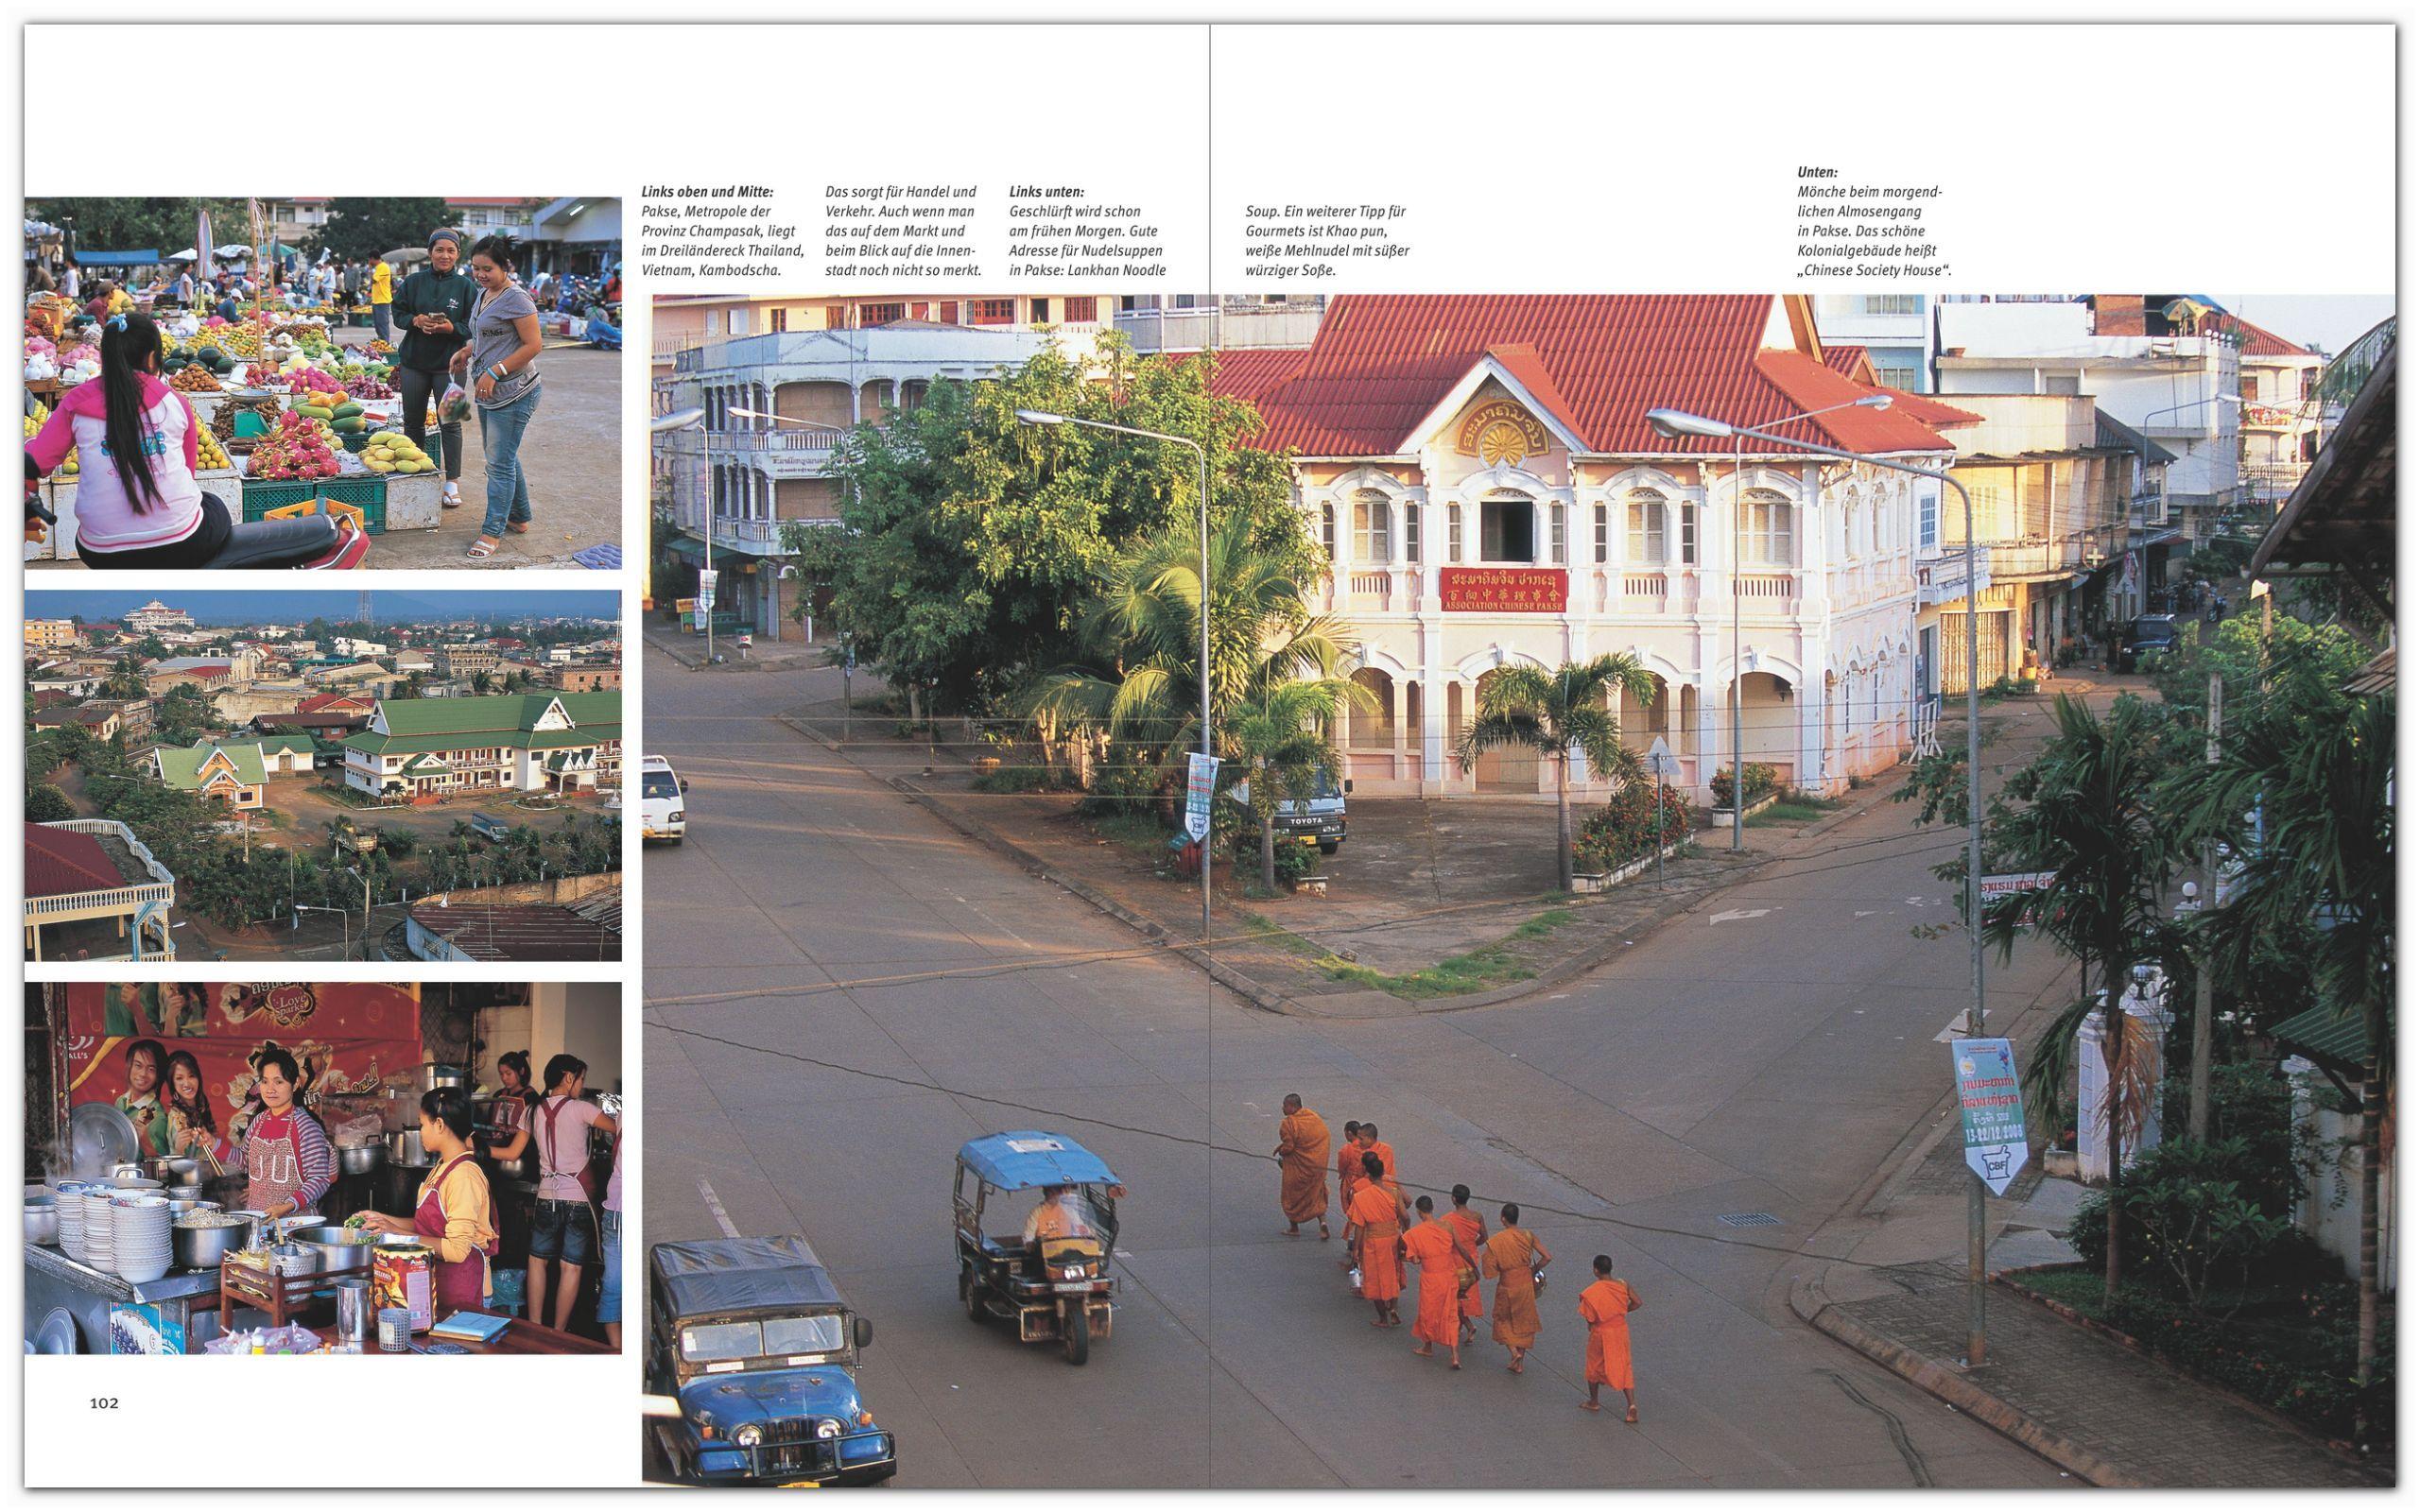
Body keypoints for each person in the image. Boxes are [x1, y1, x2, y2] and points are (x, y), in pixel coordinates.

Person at [23, 314, 359, 569]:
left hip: (99, 551)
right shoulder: (174, 401)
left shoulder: (74, 403)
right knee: (212, 504)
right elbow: (187, 472)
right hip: (180, 543)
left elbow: (32, 462)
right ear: (154, 359)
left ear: (105, 356)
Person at [353, 1088, 500, 1314]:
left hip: (464, 1293)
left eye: (423, 1124)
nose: (421, 1131)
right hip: (439, 1286)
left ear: (439, 1125)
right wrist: (382, 1220)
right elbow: (426, 1226)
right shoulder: (442, 1167)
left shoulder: (464, 1176)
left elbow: (457, 1250)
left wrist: (398, 1233)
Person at [451, 233, 544, 559]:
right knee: (503, 456)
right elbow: (484, 337)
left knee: (498, 463)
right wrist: (467, 351)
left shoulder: (517, 299)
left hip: (515, 392)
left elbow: (533, 345)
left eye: (487, 268)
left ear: (506, 267)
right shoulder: (483, 295)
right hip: (488, 391)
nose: (479, 274)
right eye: (475, 268)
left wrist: (495, 371)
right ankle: (519, 517)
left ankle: (492, 532)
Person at [527, 1053, 615, 1332]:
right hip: (577, 1198)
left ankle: (535, 1328)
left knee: (537, 1261)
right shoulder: (583, 1109)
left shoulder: (532, 1110)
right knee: (572, 1267)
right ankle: (558, 1332)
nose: (581, 1085)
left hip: (545, 1196)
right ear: (568, 1077)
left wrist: (479, 1148)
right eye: (581, 1079)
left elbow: (512, 1152)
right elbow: (619, 1129)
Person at [391, 229, 476, 509]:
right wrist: (416, 321)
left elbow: (474, 324)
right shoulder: (413, 282)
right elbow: (398, 313)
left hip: (452, 366)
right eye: (439, 249)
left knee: (450, 423)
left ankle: (451, 482)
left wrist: (452, 328)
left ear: (458, 254)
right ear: (430, 252)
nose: (445, 255)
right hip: (414, 362)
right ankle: (416, 475)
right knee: (413, 422)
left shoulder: (466, 287)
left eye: (451, 250)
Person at [236, 1047, 332, 1221]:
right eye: (264, 1082)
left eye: (278, 1082)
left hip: (295, 1226)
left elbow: (319, 1180)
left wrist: (287, 1206)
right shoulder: (258, 1122)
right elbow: (244, 1161)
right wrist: (215, 1146)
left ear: (295, 1084)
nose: (270, 1089)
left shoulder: (306, 1127)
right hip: (257, 1224)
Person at [1402, 1195, 1475, 1368]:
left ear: (1419, 1212)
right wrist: (1473, 1267)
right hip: (1449, 1276)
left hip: (1431, 1279)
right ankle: (1455, 1356)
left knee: (1428, 1313)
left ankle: (1427, 1346)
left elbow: (1415, 1260)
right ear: (1432, 1208)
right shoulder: (1447, 1226)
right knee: (1450, 1314)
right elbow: (1461, 1249)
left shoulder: (1414, 1234)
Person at [1481, 1202, 1549, 1373]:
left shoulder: (1497, 1241)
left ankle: (1513, 1352)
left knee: (1501, 1319)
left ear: (1503, 1219)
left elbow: (1490, 1271)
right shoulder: (1527, 1235)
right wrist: (1534, 1269)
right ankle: (1520, 1364)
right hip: (1526, 1285)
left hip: (1508, 1285)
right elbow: (1547, 1257)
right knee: (1524, 1322)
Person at [1578, 1254, 1643, 1420]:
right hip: (1620, 1330)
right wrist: (1620, 1313)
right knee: (1624, 1365)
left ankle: (1594, 1401)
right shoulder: (1622, 1284)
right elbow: (1637, 1302)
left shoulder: (1591, 1293)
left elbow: (1591, 1319)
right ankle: (1631, 1405)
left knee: (1594, 1366)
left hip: (1601, 1333)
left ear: (1595, 1270)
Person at [1344, 1152, 1404, 1327]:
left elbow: (1360, 1227)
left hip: (1373, 1242)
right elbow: (1405, 1216)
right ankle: (1393, 1308)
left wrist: (1355, 1251)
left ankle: (1383, 1318)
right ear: (1383, 1172)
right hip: (1393, 1238)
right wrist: (1403, 1232)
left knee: (1375, 1279)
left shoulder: (1362, 1196)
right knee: (1392, 1274)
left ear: (1368, 1174)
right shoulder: (1393, 1192)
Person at [1272, 1093, 1331, 1240]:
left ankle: (1294, 1228)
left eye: (1285, 1105)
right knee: (1317, 1192)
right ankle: (1323, 1223)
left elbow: (1289, 1147)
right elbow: (1324, 1135)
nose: (1283, 1108)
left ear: (1292, 1107)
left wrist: (1281, 1151)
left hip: (1299, 1167)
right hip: (1317, 1165)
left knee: (1291, 1195)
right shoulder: (1313, 1116)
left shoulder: (1288, 1123)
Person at [164, 1050, 230, 1164]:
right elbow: (180, 1160)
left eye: (191, 1076)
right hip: (191, 1175)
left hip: (208, 1171)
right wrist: (178, 1149)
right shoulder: (177, 1116)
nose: (187, 1083)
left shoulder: (201, 1105)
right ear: (172, 1084)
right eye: (179, 1078)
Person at [1443, 1185, 1488, 1343]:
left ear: (1454, 1199)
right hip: (1471, 1257)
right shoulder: (1477, 1216)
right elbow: (1484, 1237)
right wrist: (1473, 1244)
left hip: (1455, 1258)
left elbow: (1444, 1241)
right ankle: (1461, 1323)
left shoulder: (1448, 1219)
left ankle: (1467, 1324)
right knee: (1467, 1293)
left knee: (1456, 1295)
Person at [113, 1039, 173, 1159]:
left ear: (158, 1076)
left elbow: (161, 1163)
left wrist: (145, 1143)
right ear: (129, 1066)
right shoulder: (121, 1101)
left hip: (141, 1175)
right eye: (138, 1065)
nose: (143, 1074)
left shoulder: (157, 1115)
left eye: (151, 1069)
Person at [597, 1125, 624, 1349]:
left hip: (615, 1209)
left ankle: (618, 1349)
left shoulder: (623, 1116)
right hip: (618, 1211)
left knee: (613, 1282)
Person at [1332, 1121, 1363, 1268]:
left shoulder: (1347, 1149)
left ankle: (1355, 1249)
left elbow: (1342, 1167)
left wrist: (1344, 1176)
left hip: (1352, 1184)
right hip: (1366, 1184)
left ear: (1349, 1133)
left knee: (1354, 1216)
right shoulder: (1368, 1147)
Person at [368, 255, 393, 341]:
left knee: (382, 324)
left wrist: (370, 269)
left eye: (369, 259)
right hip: (376, 300)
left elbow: (374, 280)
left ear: (373, 259)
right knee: (377, 325)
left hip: (383, 300)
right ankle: (381, 341)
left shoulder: (383, 266)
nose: (369, 262)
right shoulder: (378, 267)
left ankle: (385, 343)